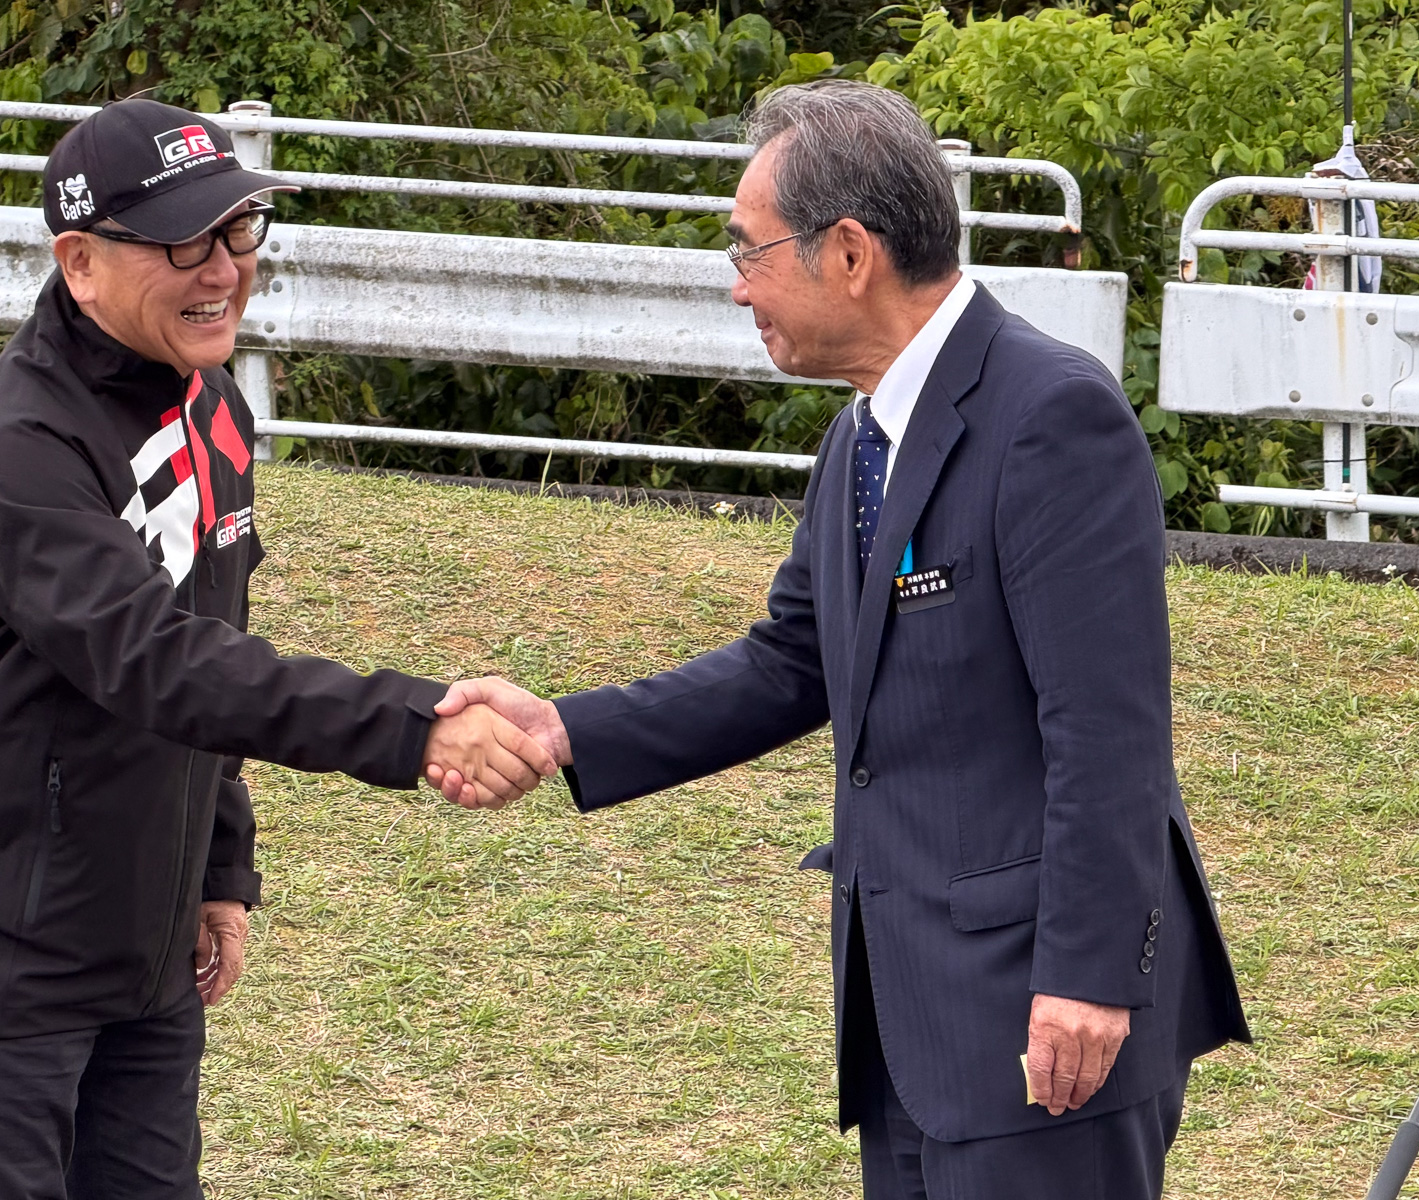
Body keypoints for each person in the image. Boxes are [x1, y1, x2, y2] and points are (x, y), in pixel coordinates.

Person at [429, 80, 1249, 1198]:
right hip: (912, 1028)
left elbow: (1109, 730)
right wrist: (566, 728)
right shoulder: (863, 437)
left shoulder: (1051, 416)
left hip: (1041, 1025)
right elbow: (793, 663)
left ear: (849, 253)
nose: (736, 287)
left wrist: (1090, 978)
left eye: (749, 251)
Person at [0, 98, 554, 1200]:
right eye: (183, 242)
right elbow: (156, 661)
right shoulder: (22, 443)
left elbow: (215, 642)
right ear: (79, 263)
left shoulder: (212, 404)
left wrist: (217, 870)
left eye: (238, 232)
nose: (223, 269)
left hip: (139, 935)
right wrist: (413, 727)